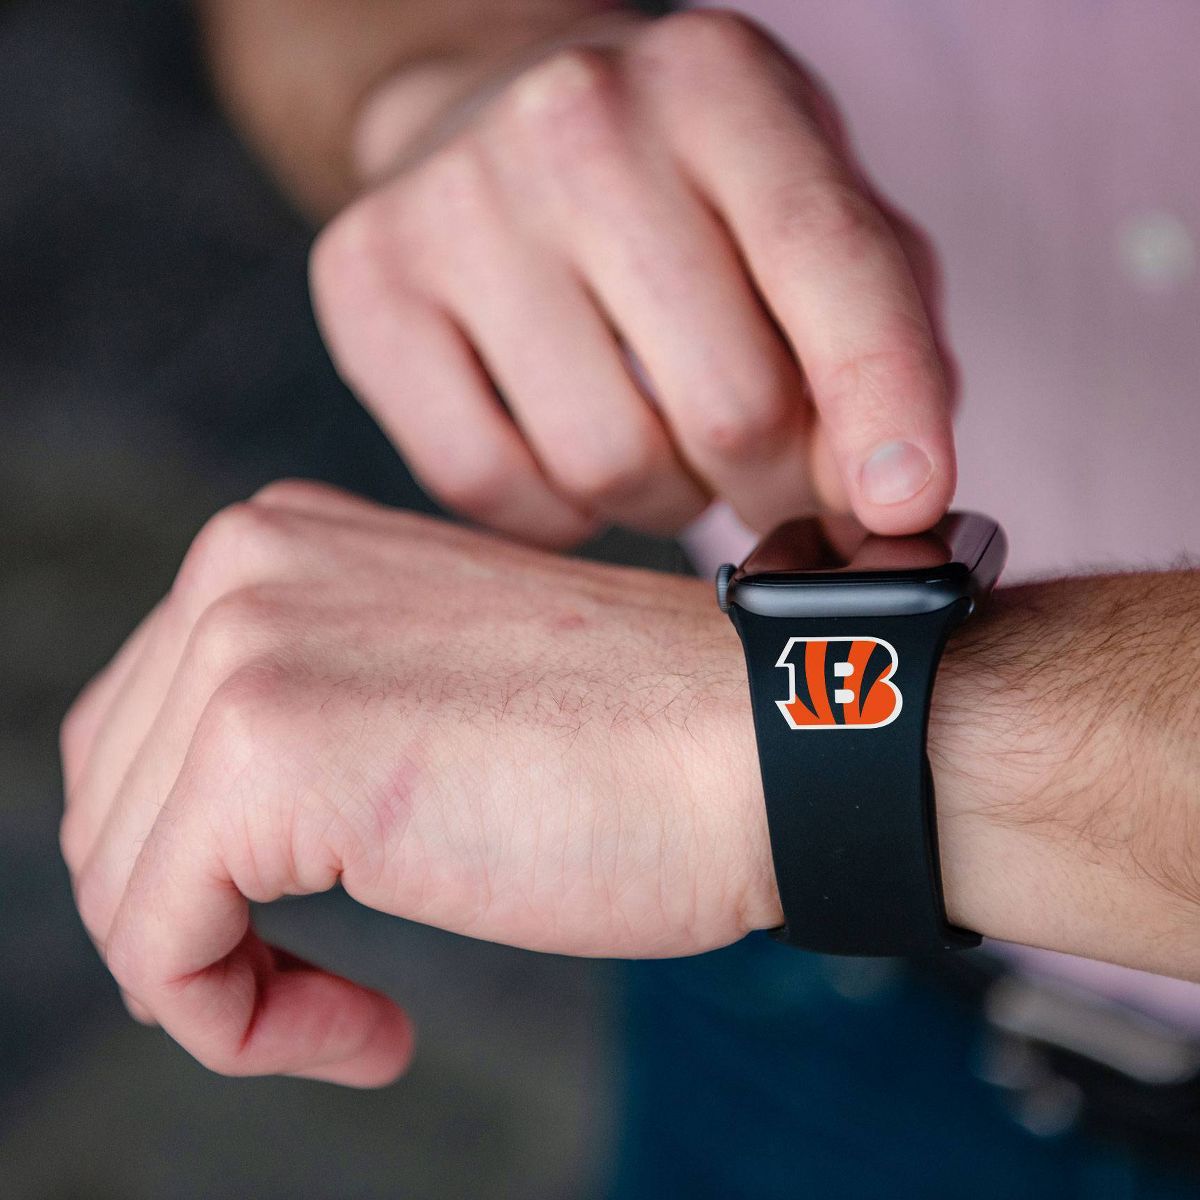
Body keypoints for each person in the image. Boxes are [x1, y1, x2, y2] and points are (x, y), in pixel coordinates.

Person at [62, 1, 1200, 1194]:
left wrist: (766, 758)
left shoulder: (715, 778)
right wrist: (446, 97)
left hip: (706, 804)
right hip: (783, 949)